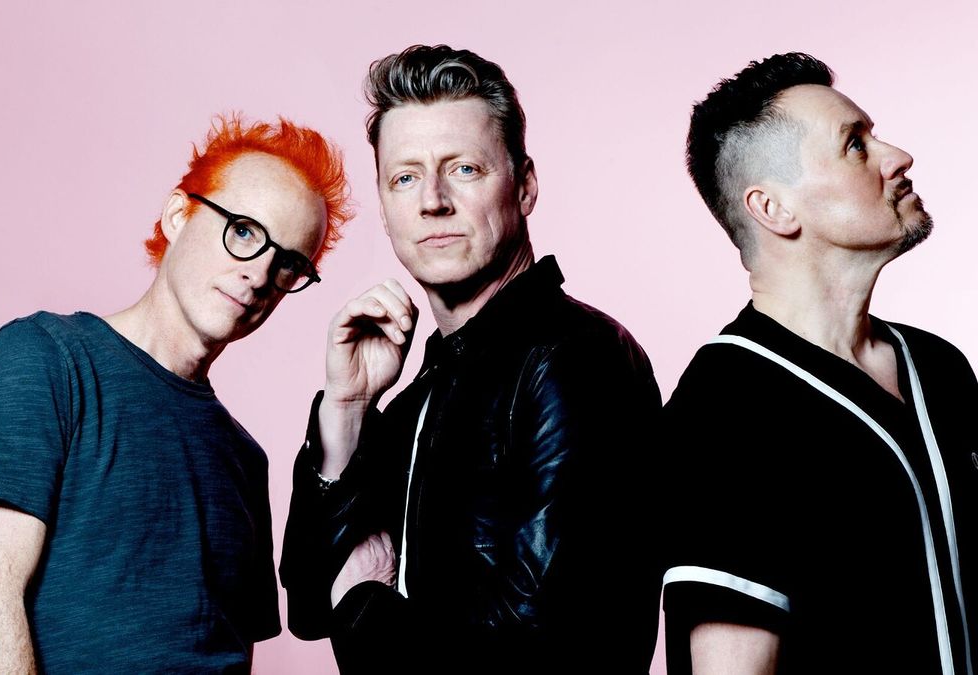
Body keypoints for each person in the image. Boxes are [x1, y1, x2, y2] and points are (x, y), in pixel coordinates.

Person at [281, 44, 662, 673]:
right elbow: (306, 605)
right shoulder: (423, 392)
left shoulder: (575, 358)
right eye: (405, 178)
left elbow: (547, 651)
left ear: (525, 185)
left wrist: (363, 602)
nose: (432, 201)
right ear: (385, 206)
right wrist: (348, 408)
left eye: (463, 169)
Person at [0, 114, 350, 673]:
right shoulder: (46, 359)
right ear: (179, 215)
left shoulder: (243, 457)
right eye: (244, 232)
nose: (259, 275)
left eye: (287, 264)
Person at [662, 52, 976, 674]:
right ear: (773, 208)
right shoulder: (726, 407)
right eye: (855, 145)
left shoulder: (939, 367)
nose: (898, 156)